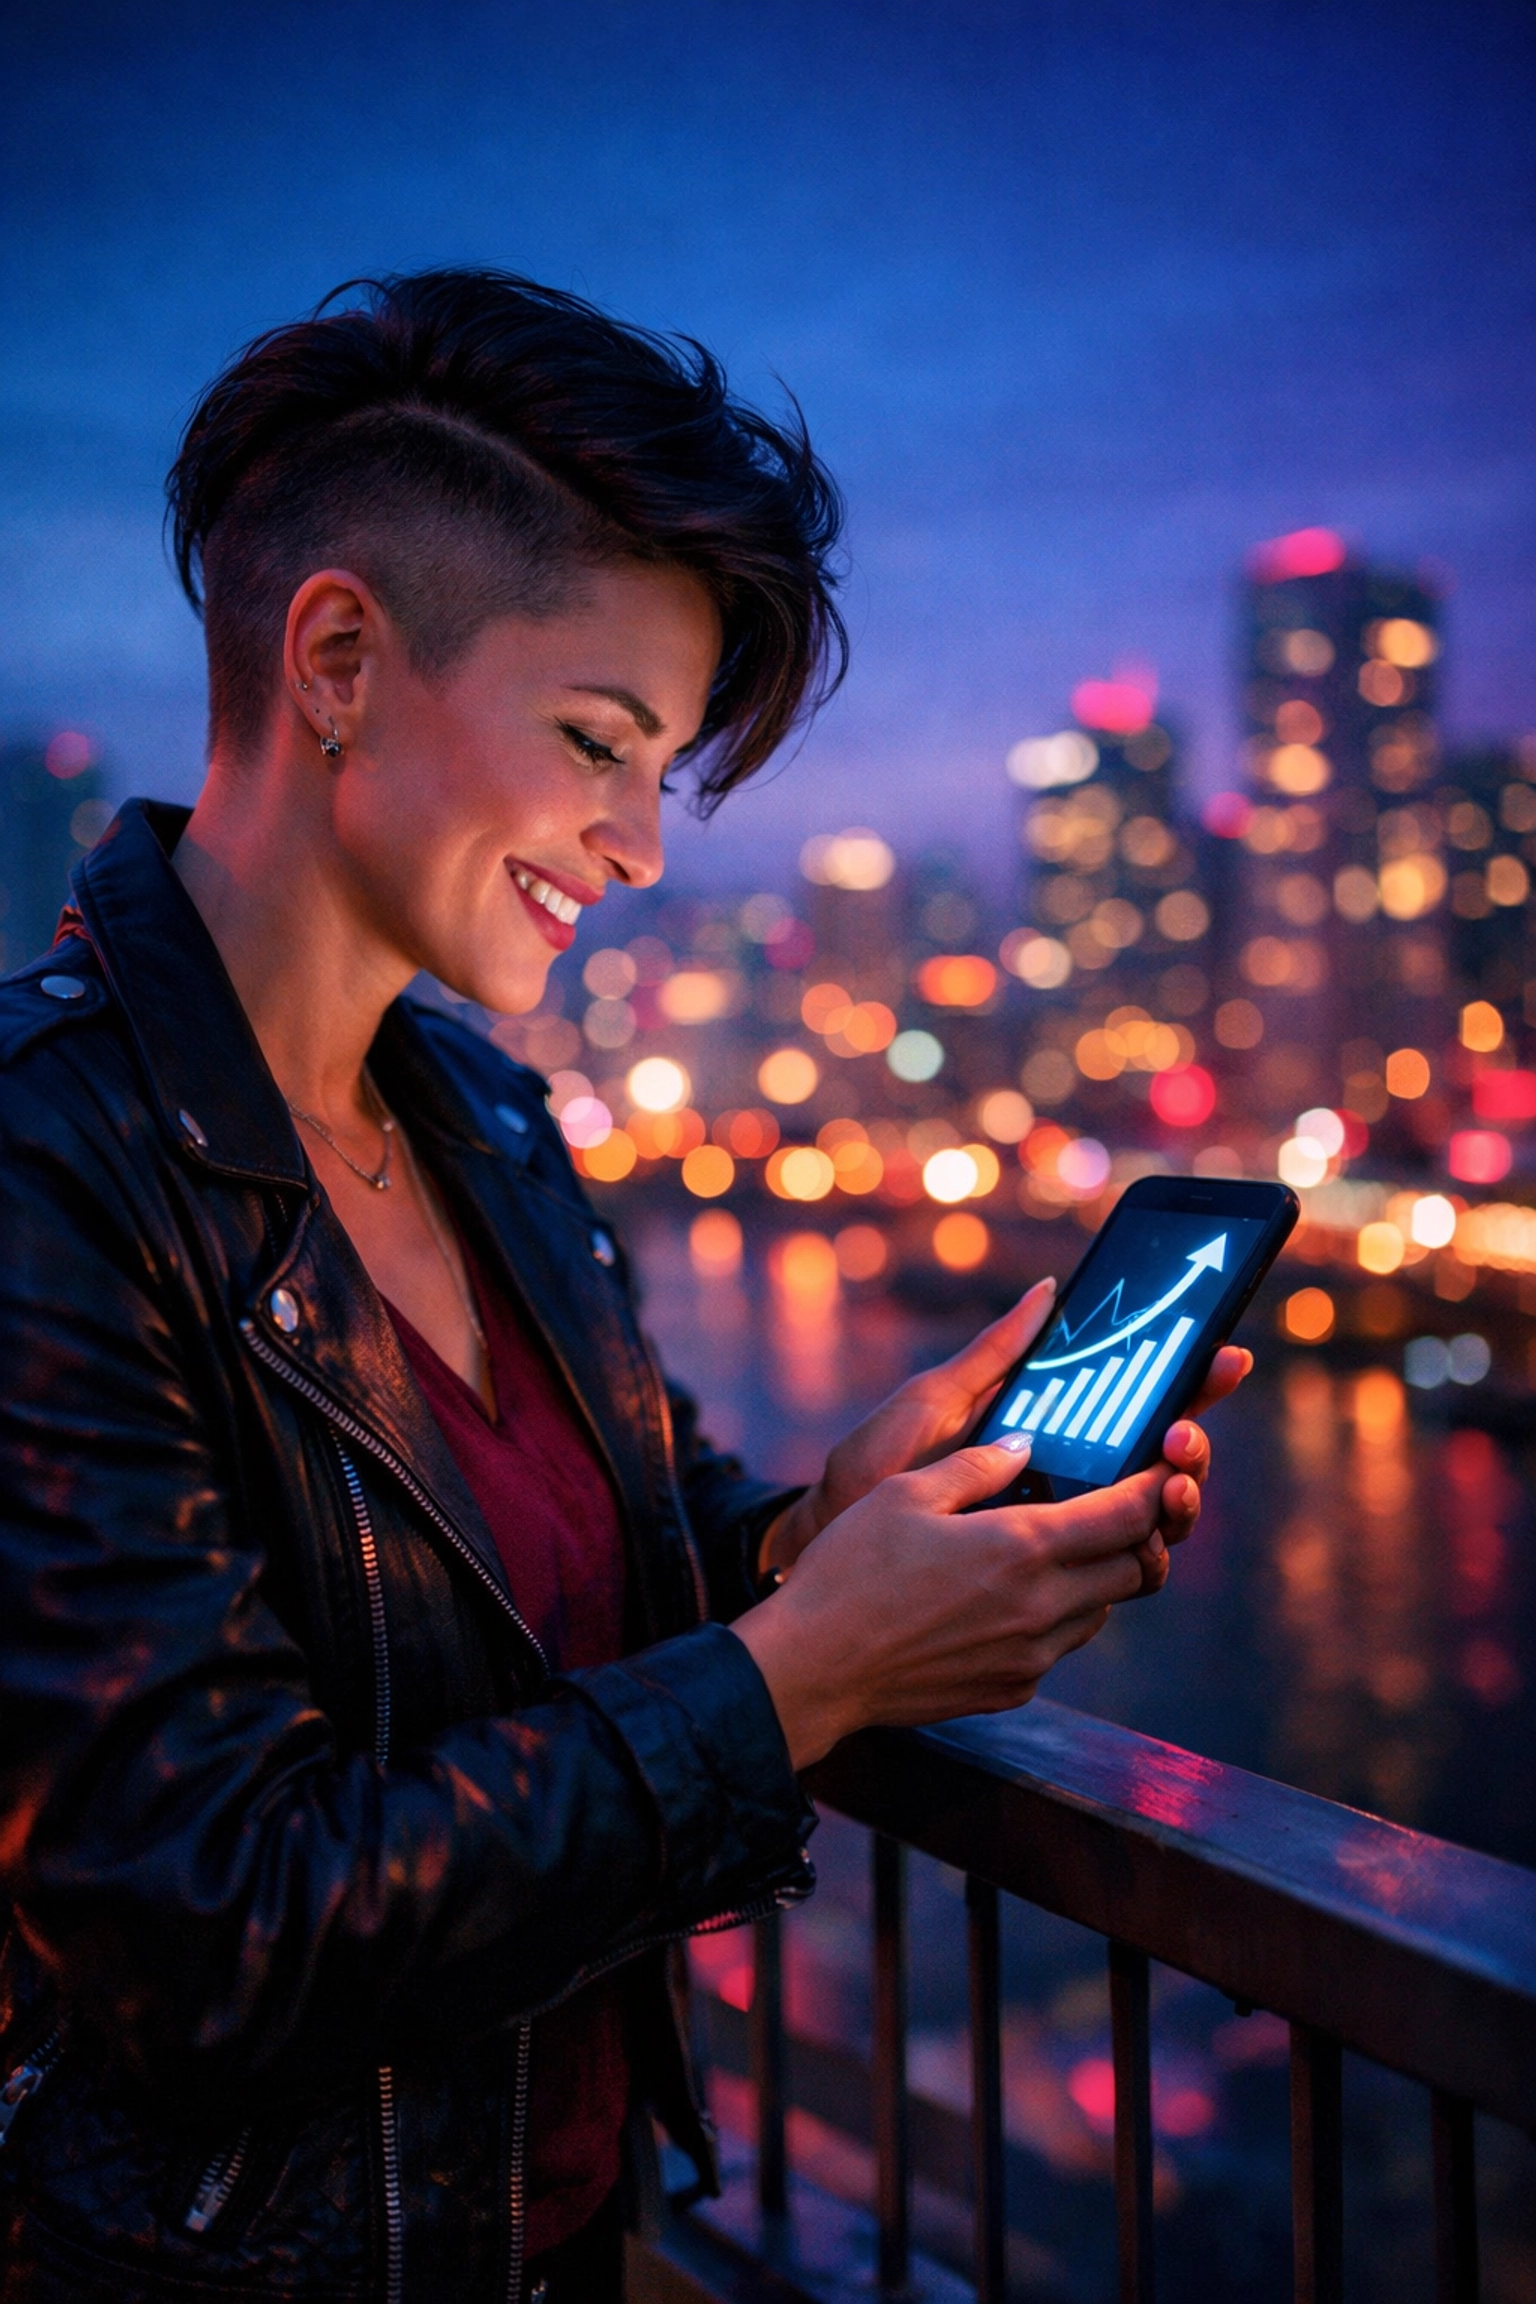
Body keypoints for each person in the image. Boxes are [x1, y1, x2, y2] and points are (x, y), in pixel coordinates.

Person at [0, 270, 1245, 2304]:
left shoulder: (491, 1128)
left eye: (662, 767)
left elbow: (597, 1586)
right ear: (334, 657)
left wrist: (821, 1537)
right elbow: (207, 1927)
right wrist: (811, 1669)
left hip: (572, 2242)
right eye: (599, 740)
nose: (643, 843)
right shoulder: (47, 1166)